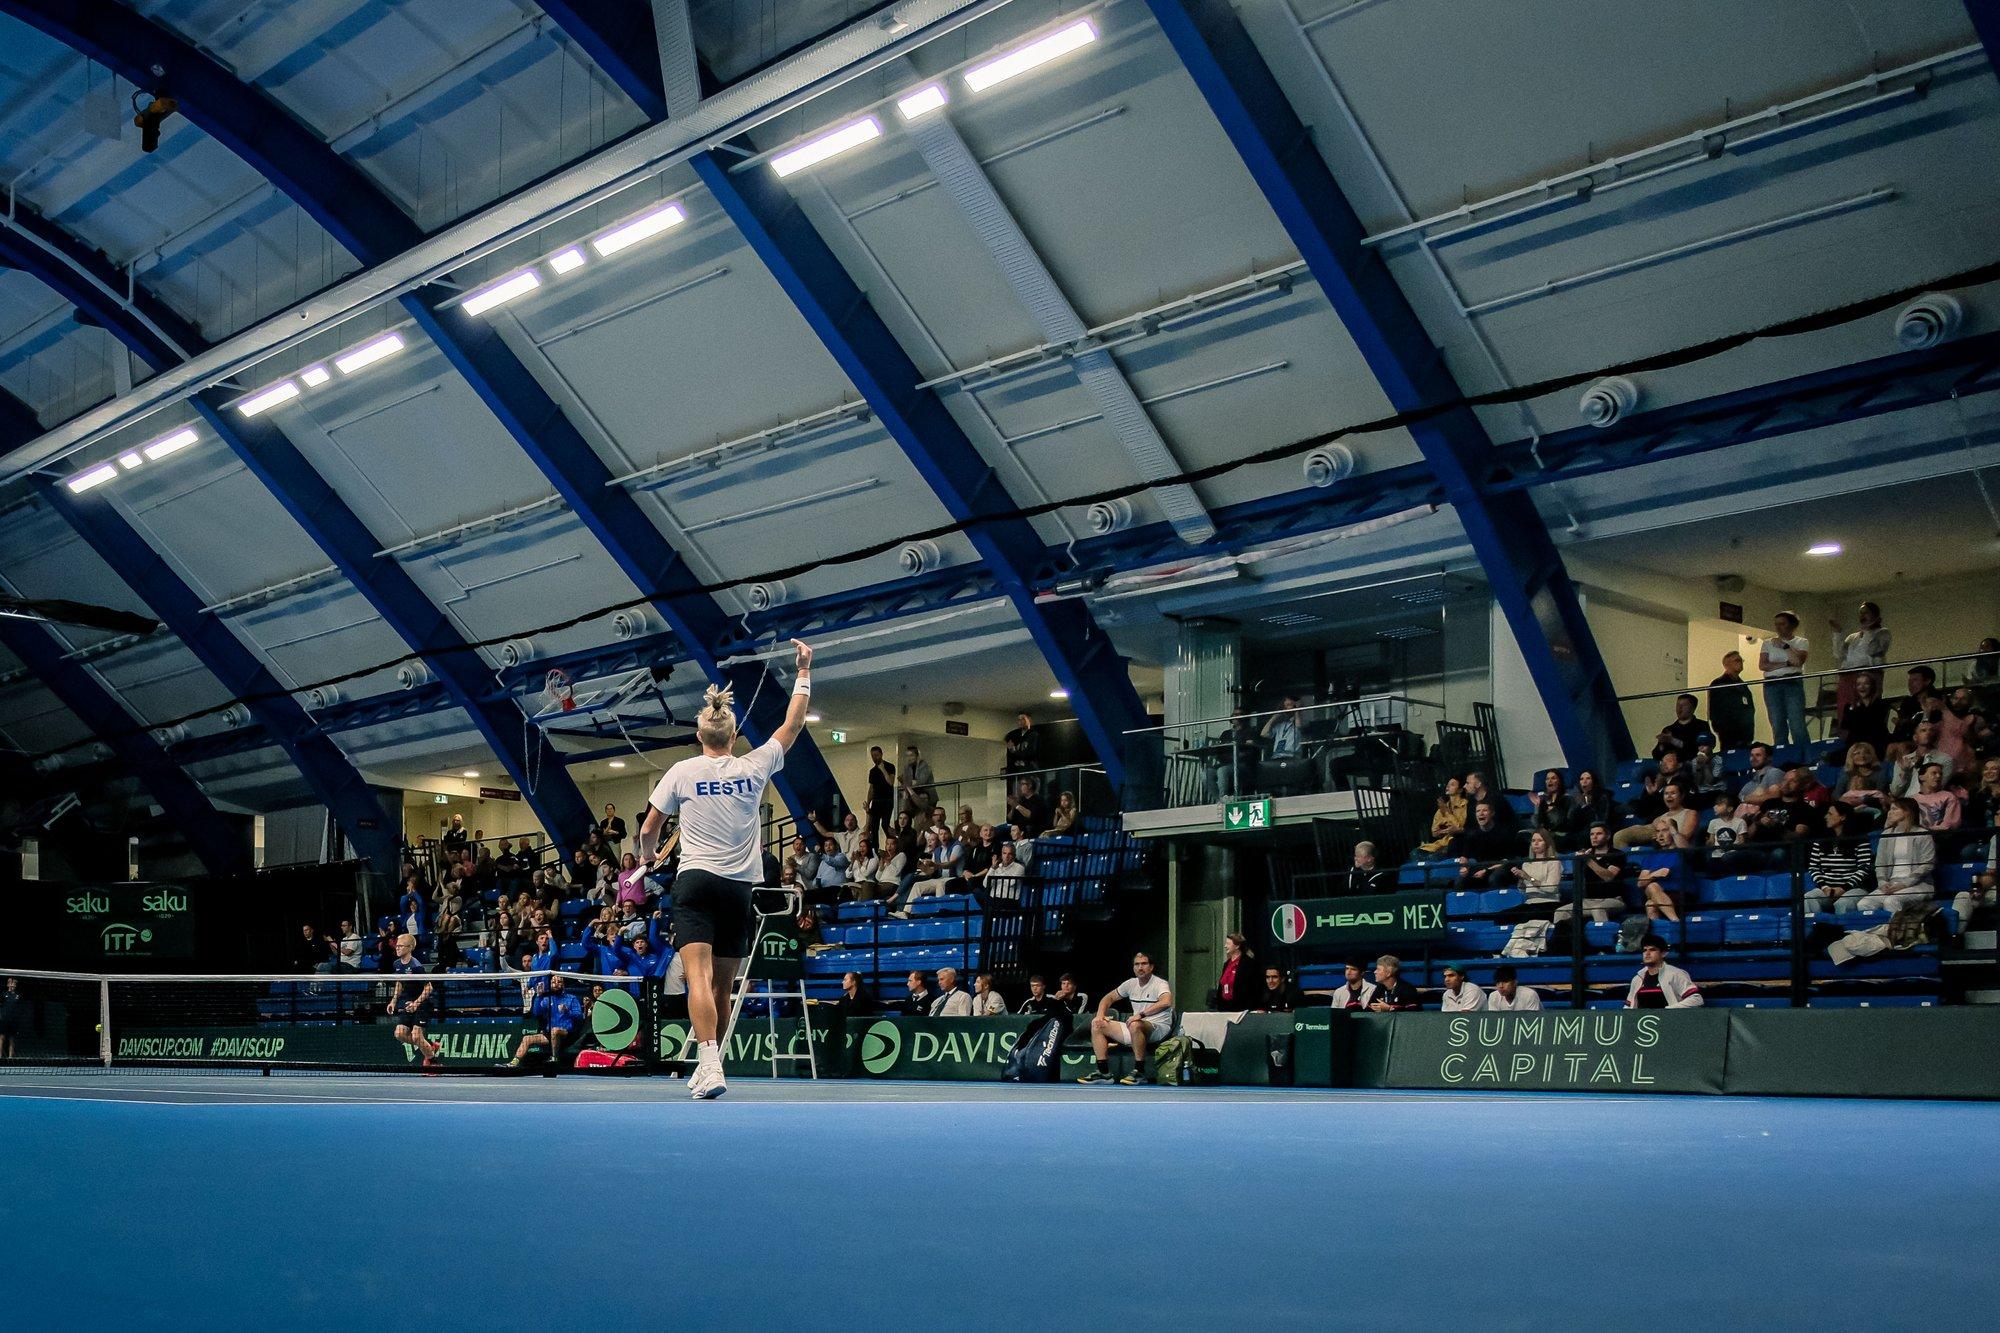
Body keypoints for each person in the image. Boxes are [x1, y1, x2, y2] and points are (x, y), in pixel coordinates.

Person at [634, 638, 818, 1101]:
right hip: (740, 889)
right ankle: (710, 1064)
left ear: (701, 736)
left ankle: (709, 1061)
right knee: (723, 983)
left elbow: (649, 828)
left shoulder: (681, 771)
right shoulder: (756, 766)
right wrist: (803, 671)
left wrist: (648, 856)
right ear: (733, 737)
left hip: (694, 883)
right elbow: (793, 724)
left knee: (697, 978)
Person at [1079, 953, 1174, 1085]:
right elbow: (1108, 998)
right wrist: (1100, 1015)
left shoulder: (1160, 983)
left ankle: (1139, 1072)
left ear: (1151, 967)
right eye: (1137, 964)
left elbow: (1166, 1002)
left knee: (1135, 1024)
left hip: (1159, 1028)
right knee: (1097, 1024)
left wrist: (1140, 1015)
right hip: (1135, 1026)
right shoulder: (1130, 984)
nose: (1140, 967)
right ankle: (1104, 1073)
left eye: (1144, 964)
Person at [1850, 799, 1936, 915]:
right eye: (1890, 809)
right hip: (1891, 884)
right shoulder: (1886, 834)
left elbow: (1927, 864)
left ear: (1907, 812)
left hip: (1918, 884)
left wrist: (1904, 884)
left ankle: (1893, 932)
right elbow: (1880, 863)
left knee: (1891, 901)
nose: (1890, 813)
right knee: (1864, 903)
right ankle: (1875, 932)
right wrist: (1882, 883)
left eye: (1894, 809)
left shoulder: (1922, 834)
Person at [1803, 802, 1874, 914]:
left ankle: (1845, 931)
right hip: (1827, 889)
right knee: (1807, 898)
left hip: (1853, 888)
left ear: (1842, 817)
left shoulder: (1860, 840)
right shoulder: (1821, 840)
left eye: (1830, 814)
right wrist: (1825, 887)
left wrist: (1843, 888)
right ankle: (1816, 929)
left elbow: (1864, 868)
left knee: (1843, 903)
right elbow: (1813, 867)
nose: (1826, 817)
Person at [1557, 823, 1631, 925]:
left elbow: (1608, 877)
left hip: (1613, 900)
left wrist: (1588, 861)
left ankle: (1603, 938)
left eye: (1599, 834)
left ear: (1608, 836)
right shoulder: (1587, 854)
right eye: (1592, 834)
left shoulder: (1616, 854)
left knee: (1597, 909)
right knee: (1560, 912)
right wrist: (1578, 862)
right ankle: (1568, 939)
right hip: (1589, 901)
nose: (1594, 837)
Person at [387, 933, 440, 1068]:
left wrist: (416, 1003)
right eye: (396, 946)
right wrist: (393, 1001)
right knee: (399, 1034)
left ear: (409, 948)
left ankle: (433, 1062)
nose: (397, 948)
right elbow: (399, 982)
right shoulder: (396, 964)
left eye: (400, 946)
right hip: (408, 1004)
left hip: (422, 1004)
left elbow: (429, 987)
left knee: (416, 1037)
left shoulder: (416, 966)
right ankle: (429, 1047)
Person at [509, 974, 585, 1069]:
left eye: (559, 982)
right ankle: (514, 1062)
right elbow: (536, 1013)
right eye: (553, 982)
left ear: (563, 984)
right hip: (549, 1034)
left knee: (555, 1030)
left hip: (567, 1034)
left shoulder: (571, 998)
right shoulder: (548, 999)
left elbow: (579, 1016)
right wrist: (539, 996)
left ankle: (554, 1058)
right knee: (527, 1039)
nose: (556, 984)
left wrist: (567, 1011)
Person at [1759, 611, 1811, 748]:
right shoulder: (1767, 643)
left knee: (1796, 721)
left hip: (1791, 681)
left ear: (1791, 625)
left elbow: (1798, 661)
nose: (1778, 627)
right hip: (1772, 684)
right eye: (1776, 624)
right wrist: (1785, 663)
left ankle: (1803, 754)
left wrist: (1785, 646)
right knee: (1777, 722)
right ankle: (1782, 753)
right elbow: (1763, 665)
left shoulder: (1801, 642)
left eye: (1782, 624)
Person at [1829, 601, 1891, 712]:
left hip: (1869, 675)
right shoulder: (1852, 637)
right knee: (1846, 709)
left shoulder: (1883, 633)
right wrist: (1838, 633)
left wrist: (1868, 630)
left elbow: (1872, 650)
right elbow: (1839, 654)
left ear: (1875, 615)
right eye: (1860, 613)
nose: (1862, 616)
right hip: (1847, 675)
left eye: (1866, 612)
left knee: (1867, 709)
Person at [1626, 936, 1703, 1008]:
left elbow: (1696, 999)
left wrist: (1669, 1010)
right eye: (1644, 950)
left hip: (1669, 1021)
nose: (1647, 953)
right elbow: (1629, 1006)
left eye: (1652, 950)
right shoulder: (1637, 979)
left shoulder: (1676, 974)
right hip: (1642, 1021)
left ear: (1663, 953)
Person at [1707, 650, 1757, 753]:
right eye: (1737, 660)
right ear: (1727, 665)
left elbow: (1749, 708)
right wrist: (1721, 730)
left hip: (1745, 734)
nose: (1740, 662)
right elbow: (1714, 710)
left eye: (1741, 660)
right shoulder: (1719, 683)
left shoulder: (1743, 685)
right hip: (1728, 734)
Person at [1652, 694, 1713, 762]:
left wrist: (1672, 740)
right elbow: (1656, 755)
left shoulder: (1702, 726)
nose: (1679, 708)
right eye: (1678, 705)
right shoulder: (1669, 729)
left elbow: (1696, 751)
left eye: (1684, 706)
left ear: (1693, 708)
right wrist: (1662, 744)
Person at [1211, 933, 1261, 1009]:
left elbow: (1253, 987)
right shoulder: (1226, 964)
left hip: (1241, 1008)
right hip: (1225, 1007)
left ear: (1237, 946)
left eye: (1228, 944)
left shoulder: (1248, 964)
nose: (1225, 946)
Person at [1419, 777, 1468, 854]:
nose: (1447, 787)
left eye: (1452, 785)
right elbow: (1434, 832)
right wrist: (1447, 830)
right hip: (1441, 844)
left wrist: (1447, 813)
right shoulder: (1442, 808)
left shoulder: (1465, 805)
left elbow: (1458, 827)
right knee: (1415, 853)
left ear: (1460, 790)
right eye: (1447, 785)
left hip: (1458, 843)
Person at [898, 744, 935, 822]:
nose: (909, 758)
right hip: (913, 796)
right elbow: (904, 780)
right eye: (907, 756)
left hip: (926, 796)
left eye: (911, 755)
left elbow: (921, 782)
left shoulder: (925, 767)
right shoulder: (907, 767)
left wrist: (909, 783)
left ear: (917, 756)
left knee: (925, 818)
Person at [0, 975, 25, 1058]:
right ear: (7, 984)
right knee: (1, 1038)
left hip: (13, 1021)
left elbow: (20, 1008)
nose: (12, 985)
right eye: (10, 983)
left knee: (12, 1040)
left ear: (16, 985)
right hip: (4, 1020)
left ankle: (10, 1058)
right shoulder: (3, 995)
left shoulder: (18, 996)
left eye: (14, 983)